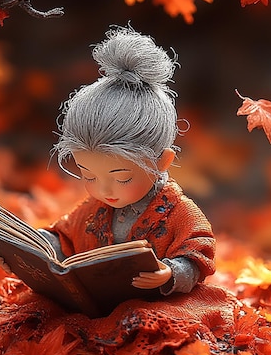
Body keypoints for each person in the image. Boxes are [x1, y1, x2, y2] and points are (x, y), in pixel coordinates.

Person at [42, 26, 216, 299]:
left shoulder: (179, 213)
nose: (104, 190)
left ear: (162, 161)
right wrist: (34, 248)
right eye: (88, 176)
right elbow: (66, 236)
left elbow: (198, 250)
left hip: (156, 304)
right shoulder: (94, 208)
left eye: (122, 178)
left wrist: (171, 273)